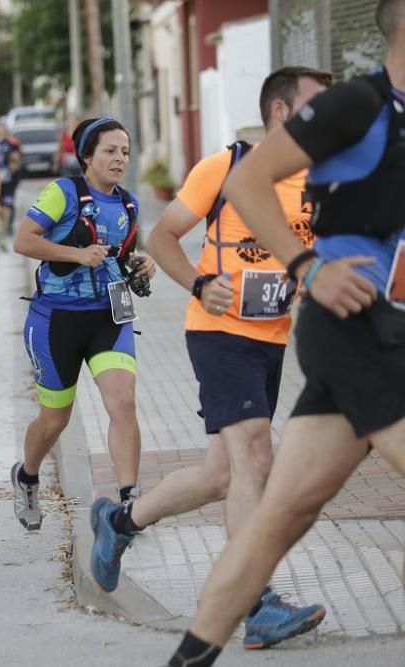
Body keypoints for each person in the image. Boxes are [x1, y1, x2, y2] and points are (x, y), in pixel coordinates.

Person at [166, 3, 405, 664]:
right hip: (353, 326)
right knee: (261, 491)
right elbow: (247, 179)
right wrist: (309, 266)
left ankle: (190, 654)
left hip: (386, 332)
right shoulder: (359, 104)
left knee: (278, 517)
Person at [91, 67, 331, 650]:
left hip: (271, 338)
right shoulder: (225, 168)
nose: (330, 117)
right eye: (317, 105)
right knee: (255, 455)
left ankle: (120, 522)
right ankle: (256, 604)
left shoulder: (323, 180)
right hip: (218, 332)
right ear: (279, 111)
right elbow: (163, 237)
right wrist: (200, 286)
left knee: (223, 474)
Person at [11, 117, 155, 531]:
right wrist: (78, 255)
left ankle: (129, 502)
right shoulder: (63, 192)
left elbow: (123, 254)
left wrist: (144, 263)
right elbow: (24, 241)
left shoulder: (129, 202)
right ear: (87, 155)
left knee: (122, 404)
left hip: (109, 317)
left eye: (125, 151)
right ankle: (28, 475)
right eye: (110, 150)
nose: (119, 158)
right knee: (55, 419)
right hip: (56, 320)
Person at [0, 121, 22, 250]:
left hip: (8, 181)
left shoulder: (10, 144)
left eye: (1, 128)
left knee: (6, 208)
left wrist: (13, 165)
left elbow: (17, 161)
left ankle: (3, 234)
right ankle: (0, 234)